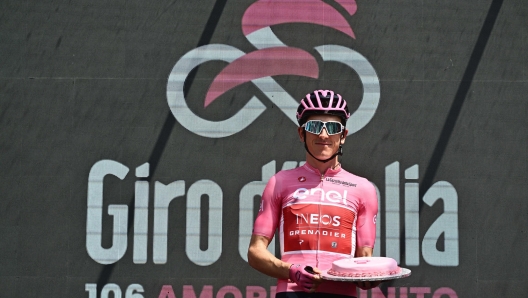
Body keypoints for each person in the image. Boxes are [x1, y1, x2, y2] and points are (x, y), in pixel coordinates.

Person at [247, 90, 380, 298]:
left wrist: (368, 278)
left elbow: (364, 258)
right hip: (292, 293)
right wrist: (292, 272)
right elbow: (255, 252)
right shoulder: (280, 182)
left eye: (333, 128)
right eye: (315, 126)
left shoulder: (363, 188)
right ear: (302, 134)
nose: (324, 135)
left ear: (343, 136)